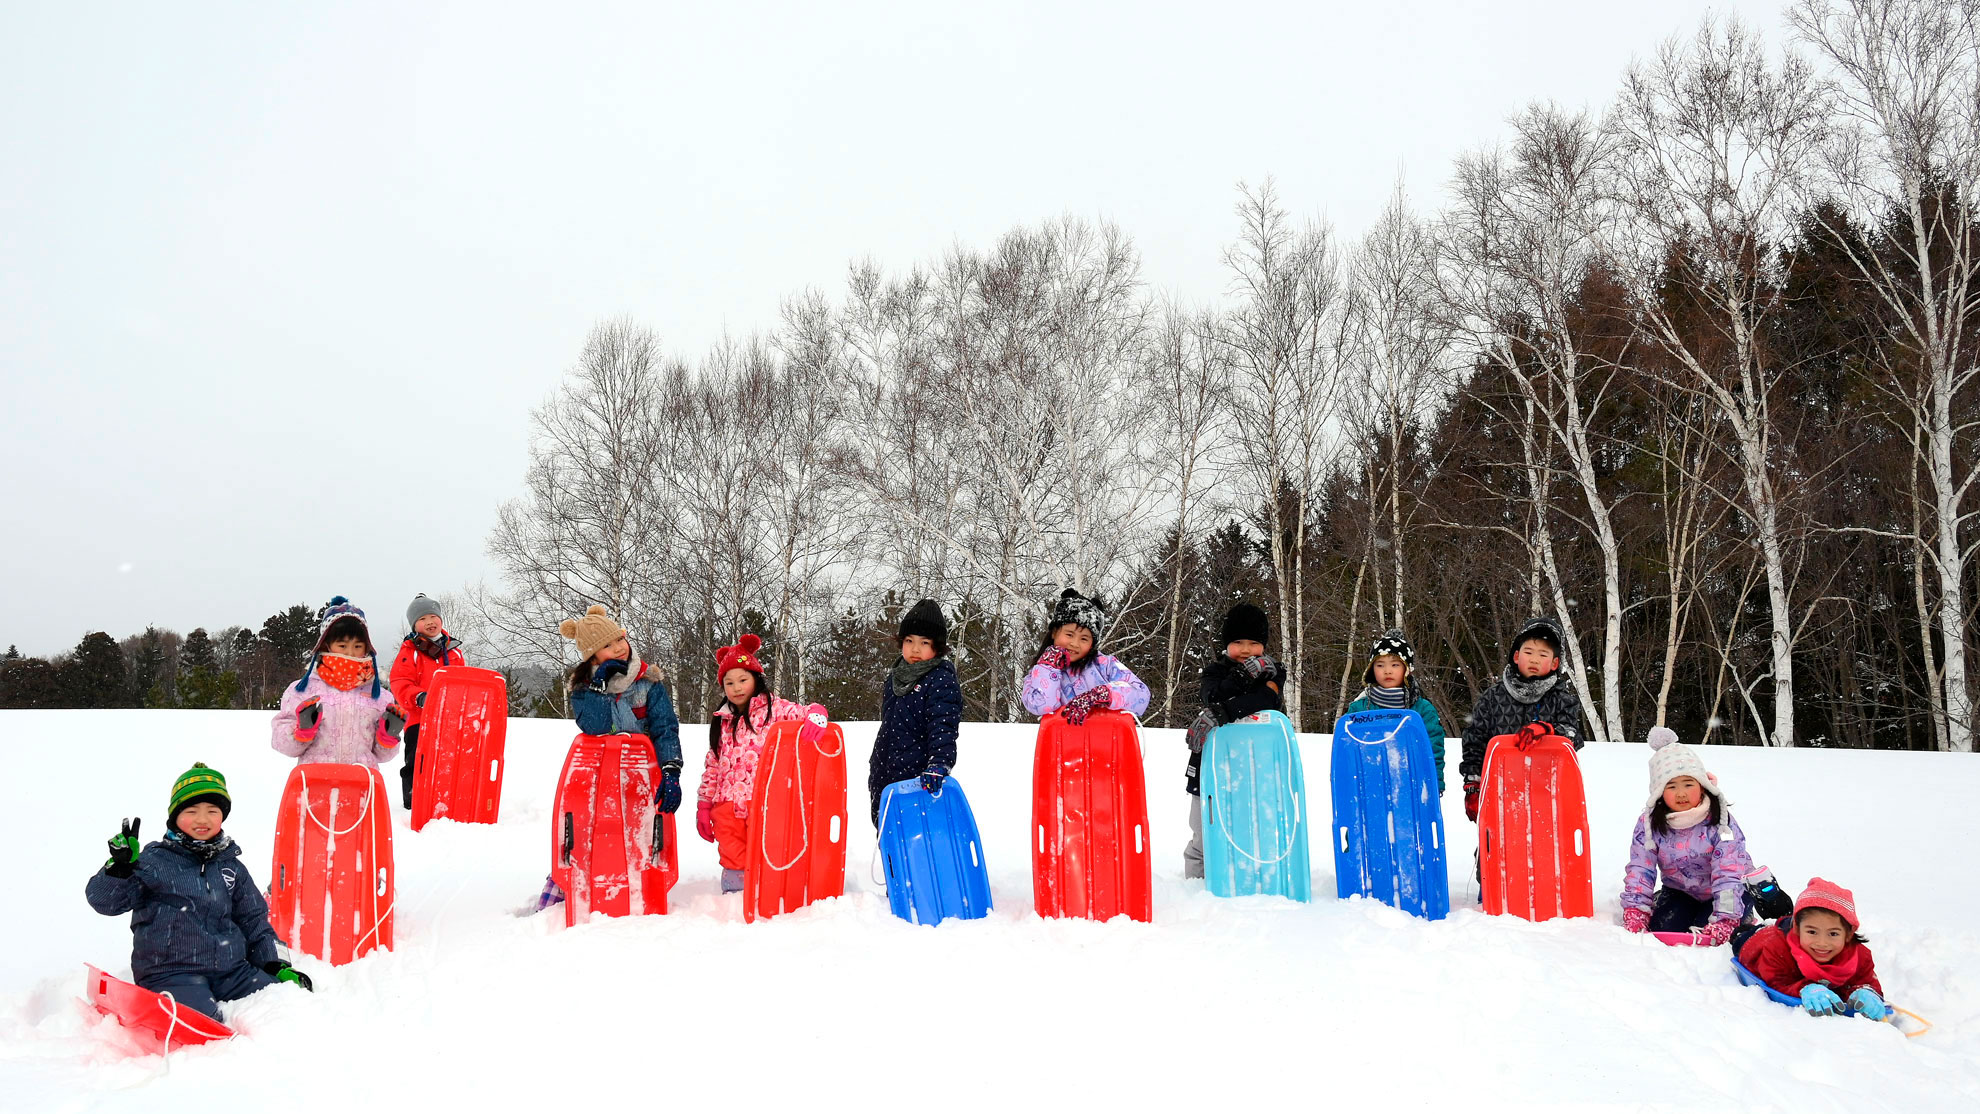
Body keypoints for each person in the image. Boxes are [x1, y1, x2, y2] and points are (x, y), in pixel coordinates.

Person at [85, 763, 311, 1024]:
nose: (202, 820)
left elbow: (254, 921)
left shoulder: (231, 867)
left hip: (232, 971)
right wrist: (120, 868)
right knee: (199, 1018)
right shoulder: (152, 861)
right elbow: (104, 902)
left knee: (284, 1001)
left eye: (212, 811)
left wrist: (276, 965)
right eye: (192, 811)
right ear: (175, 817)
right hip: (171, 972)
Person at [535, 604, 682, 912]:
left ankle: (640, 891)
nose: (617, 647)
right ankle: (568, 889)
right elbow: (594, 725)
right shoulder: (584, 688)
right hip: (598, 774)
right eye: (606, 645)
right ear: (592, 656)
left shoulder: (648, 682)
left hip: (641, 774)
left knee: (639, 832)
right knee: (592, 830)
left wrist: (670, 770)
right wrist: (599, 688)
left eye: (619, 639)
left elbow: (665, 727)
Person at [1618, 727, 1756, 945]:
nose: (1681, 793)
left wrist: (1726, 918)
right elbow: (1640, 868)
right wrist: (1636, 908)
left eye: (1688, 784)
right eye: (1671, 786)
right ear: (1659, 792)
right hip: (1680, 891)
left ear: (1702, 786)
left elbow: (1729, 873)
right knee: (1663, 929)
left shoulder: (1720, 822)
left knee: (1707, 933)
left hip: (1728, 891)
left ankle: (1742, 914)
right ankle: (1664, 904)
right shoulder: (1650, 823)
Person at [1180, 602, 1287, 880]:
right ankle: (1194, 886)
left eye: (1254, 642)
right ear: (1227, 644)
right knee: (1204, 828)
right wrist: (1241, 677)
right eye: (1238, 642)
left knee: (1252, 826)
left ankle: (1252, 879)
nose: (1246, 650)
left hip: (1257, 765)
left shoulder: (1274, 671)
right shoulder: (1214, 672)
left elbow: (1268, 699)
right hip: (1212, 764)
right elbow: (1213, 696)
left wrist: (1225, 712)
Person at [696, 633, 806, 893]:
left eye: (743, 679)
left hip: (763, 801)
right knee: (733, 853)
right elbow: (712, 767)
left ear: (756, 678)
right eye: (729, 683)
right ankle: (735, 897)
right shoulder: (721, 720)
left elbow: (800, 713)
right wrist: (704, 805)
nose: (736, 688)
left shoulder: (773, 708)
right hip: (726, 806)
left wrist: (816, 714)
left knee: (767, 849)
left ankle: (769, 892)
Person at [1457, 615, 1583, 823]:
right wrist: (1472, 785)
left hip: (1547, 794)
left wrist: (1548, 730)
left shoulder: (1562, 699)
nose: (1534, 659)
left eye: (1543, 654)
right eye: (1528, 652)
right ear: (1516, 656)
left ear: (1554, 663)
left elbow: (1573, 736)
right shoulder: (1492, 698)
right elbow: (1474, 743)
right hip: (1500, 791)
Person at [272, 596, 405, 768]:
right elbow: (281, 744)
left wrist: (387, 736)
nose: (350, 653)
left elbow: (382, 755)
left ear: (367, 648)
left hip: (363, 786)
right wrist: (301, 731)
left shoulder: (378, 696)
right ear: (326, 645)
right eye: (342, 646)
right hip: (314, 785)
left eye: (357, 646)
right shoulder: (303, 690)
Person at [867, 598, 964, 827]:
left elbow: (943, 726)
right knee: (888, 829)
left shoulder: (940, 679)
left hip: (917, 774)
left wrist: (939, 763)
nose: (915, 649)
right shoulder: (895, 676)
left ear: (937, 647)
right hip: (885, 767)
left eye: (924, 642)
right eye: (909, 640)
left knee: (917, 832)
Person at [1735, 878, 1887, 1020]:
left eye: (1833, 933)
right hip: (1756, 941)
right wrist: (1804, 988)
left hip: (1794, 927)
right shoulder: (1776, 948)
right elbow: (1776, 981)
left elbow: (1866, 981)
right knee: (1741, 934)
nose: (1822, 943)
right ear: (1797, 929)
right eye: (1812, 932)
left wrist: (1865, 991)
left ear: (1848, 934)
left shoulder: (1859, 956)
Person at [1020, 588, 1149, 725]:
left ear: (1092, 643)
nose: (1075, 644)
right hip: (1062, 742)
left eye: (1084, 639)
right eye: (1069, 635)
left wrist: (1103, 694)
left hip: (1106, 740)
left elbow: (1141, 694)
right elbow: (1040, 705)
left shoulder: (1105, 665)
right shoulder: (1039, 672)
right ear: (1054, 632)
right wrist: (1048, 668)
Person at [1344, 628, 1447, 794]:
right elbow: (1348, 751)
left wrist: (1434, 785)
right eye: (1380, 665)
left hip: (1412, 788)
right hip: (1370, 789)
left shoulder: (1423, 710)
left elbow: (1433, 749)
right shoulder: (1359, 709)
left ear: (1407, 669)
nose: (1387, 671)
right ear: (1371, 669)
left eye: (1395, 664)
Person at [389, 593, 465, 809]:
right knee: (417, 761)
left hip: (449, 720)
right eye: (423, 618)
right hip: (419, 720)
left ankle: (446, 798)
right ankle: (413, 800)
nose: (430, 622)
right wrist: (419, 696)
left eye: (433, 616)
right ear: (415, 625)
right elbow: (400, 681)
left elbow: (462, 682)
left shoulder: (454, 652)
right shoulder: (410, 651)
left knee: (449, 761)